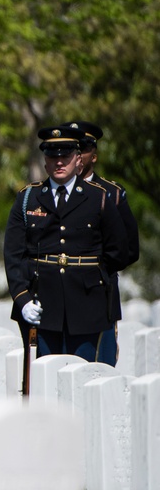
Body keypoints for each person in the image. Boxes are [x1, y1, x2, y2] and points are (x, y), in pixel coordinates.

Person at [3, 125, 128, 362]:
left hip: (87, 306)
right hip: (41, 305)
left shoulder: (99, 197)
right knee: (43, 384)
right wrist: (23, 298)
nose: (59, 162)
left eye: (66, 155)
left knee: (85, 378)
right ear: (45, 161)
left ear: (77, 159)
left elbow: (118, 251)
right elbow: (14, 254)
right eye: (52, 156)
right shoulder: (28, 198)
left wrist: (93, 279)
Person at [64, 120, 139, 366]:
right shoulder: (48, 195)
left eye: (82, 150)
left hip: (98, 295)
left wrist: (96, 271)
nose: (77, 156)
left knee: (99, 365)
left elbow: (128, 249)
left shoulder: (111, 194)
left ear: (93, 155)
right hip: (59, 296)